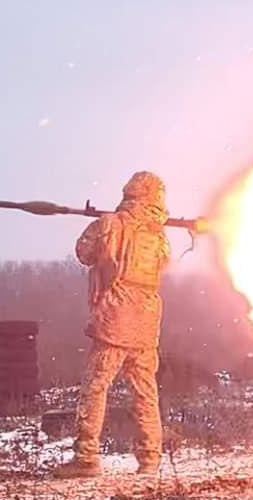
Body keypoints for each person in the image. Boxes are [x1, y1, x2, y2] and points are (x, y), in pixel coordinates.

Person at [53, 171, 171, 478]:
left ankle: (86, 457)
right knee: (145, 389)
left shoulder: (112, 224)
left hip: (116, 318)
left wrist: (101, 223)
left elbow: (84, 252)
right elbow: (163, 264)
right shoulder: (158, 234)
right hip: (146, 319)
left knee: (96, 386)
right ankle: (150, 458)